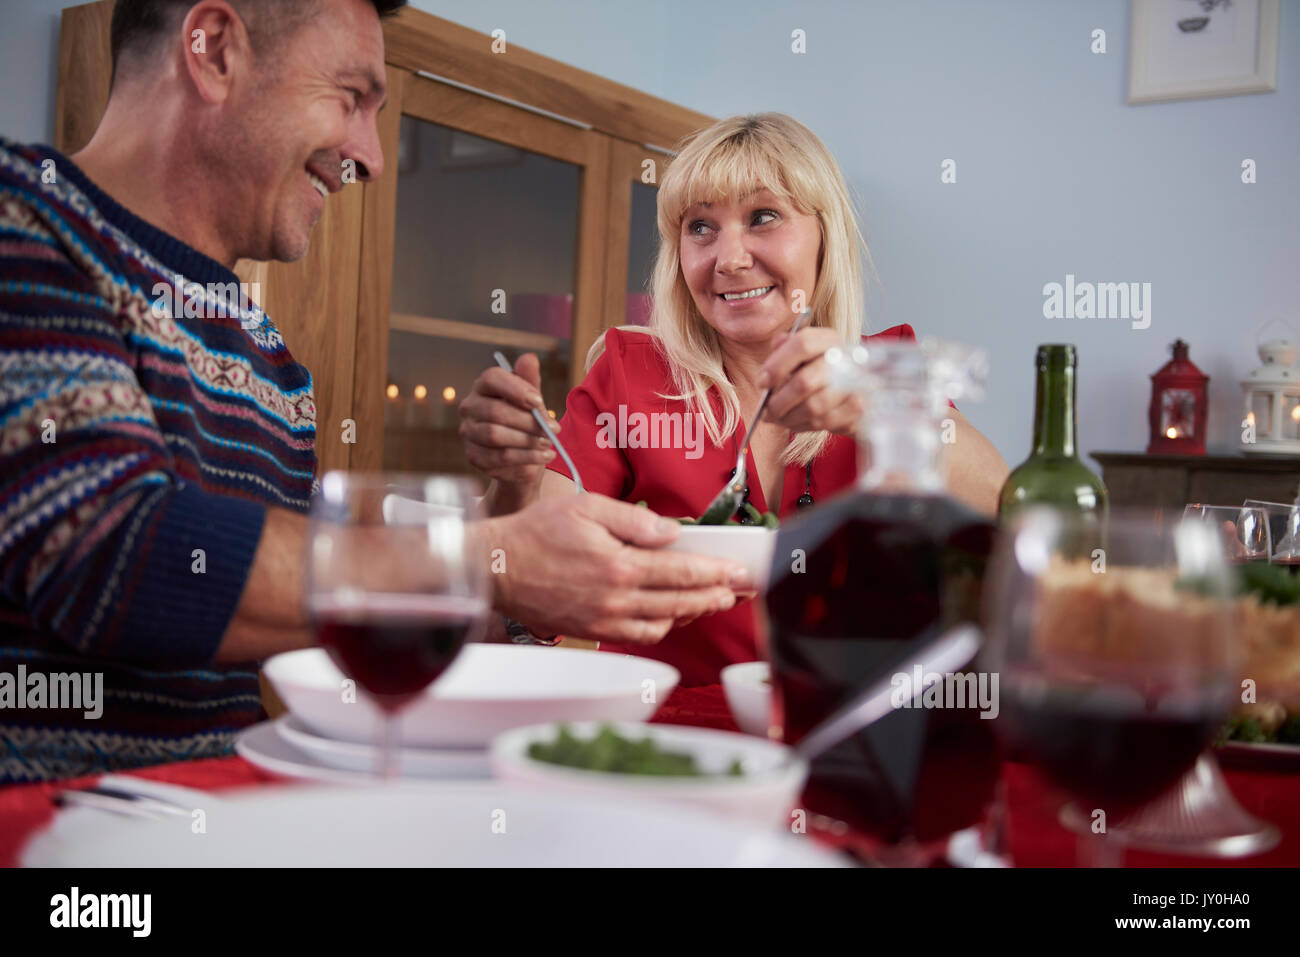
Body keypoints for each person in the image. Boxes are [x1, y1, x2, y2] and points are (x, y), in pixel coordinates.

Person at [0, 0, 750, 782]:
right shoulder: (24, 221)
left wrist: (507, 527)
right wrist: (487, 557)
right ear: (215, 48)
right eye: (351, 97)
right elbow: (105, 548)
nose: (373, 156)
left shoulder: (270, 364)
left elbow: (313, 613)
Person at [461, 113, 1010, 685]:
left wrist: (881, 411)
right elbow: (524, 592)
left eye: (763, 217)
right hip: (663, 738)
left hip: (846, 732)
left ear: (826, 233)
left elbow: (1009, 520)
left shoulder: (886, 367)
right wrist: (514, 483)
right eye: (701, 227)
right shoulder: (629, 374)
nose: (729, 258)